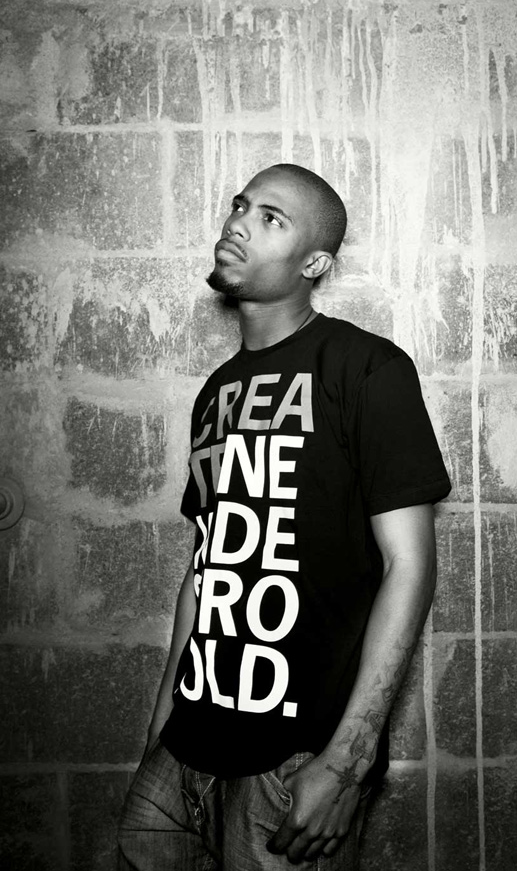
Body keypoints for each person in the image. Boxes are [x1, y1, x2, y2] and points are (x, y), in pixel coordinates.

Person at [118, 164, 451, 870]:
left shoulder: (367, 368)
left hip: (295, 760)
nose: (239, 222)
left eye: (271, 218)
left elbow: (410, 566)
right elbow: (207, 566)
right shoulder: (217, 390)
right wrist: (159, 733)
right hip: (183, 751)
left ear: (314, 263)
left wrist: (346, 762)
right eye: (241, 205)